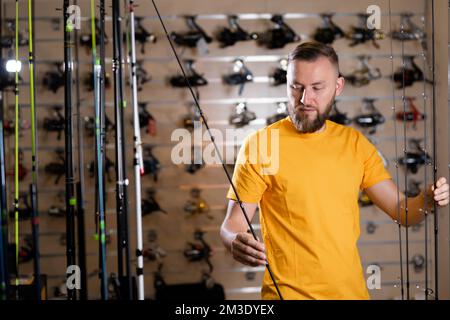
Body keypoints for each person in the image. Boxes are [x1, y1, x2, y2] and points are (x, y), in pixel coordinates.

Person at [220, 41, 449, 300]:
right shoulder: (262, 145)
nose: (305, 99)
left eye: (317, 88)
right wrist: (235, 240)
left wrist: (428, 201)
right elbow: (233, 223)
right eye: (296, 87)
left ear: (338, 87)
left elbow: (402, 212)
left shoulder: (355, 144)